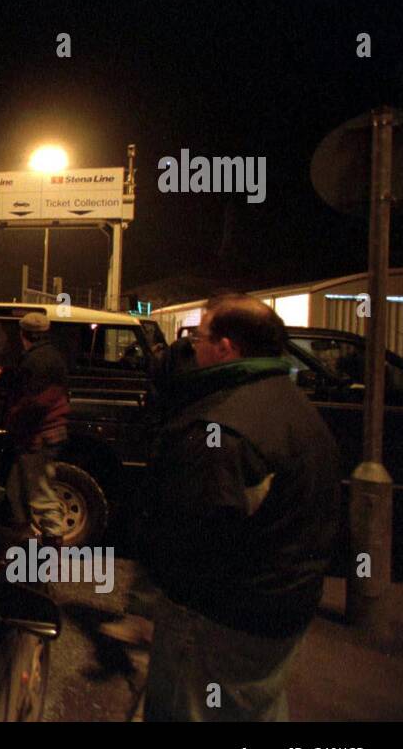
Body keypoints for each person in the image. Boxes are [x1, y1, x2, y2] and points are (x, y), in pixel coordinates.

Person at [141, 296, 340, 723]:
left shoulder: (222, 428)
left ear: (226, 347)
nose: (192, 347)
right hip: (283, 609)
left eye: (199, 336)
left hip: (220, 622)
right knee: (254, 708)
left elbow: (194, 534)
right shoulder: (294, 406)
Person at [0, 312, 70, 541]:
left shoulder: (36, 360)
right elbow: (22, 378)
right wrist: (1, 375)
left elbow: (34, 403)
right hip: (47, 432)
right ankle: (24, 536)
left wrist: (14, 423)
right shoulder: (49, 355)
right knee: (15, 487)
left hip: (39, 435)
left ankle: (52, 542)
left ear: (24, 334)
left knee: (41, 493)